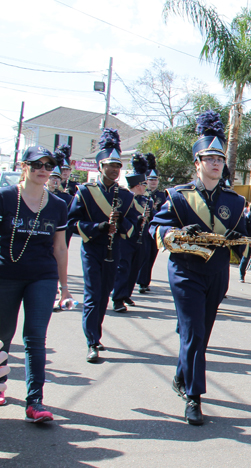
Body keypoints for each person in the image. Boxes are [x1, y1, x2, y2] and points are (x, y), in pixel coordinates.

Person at [150, 110, 248, 426]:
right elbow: (157, 226)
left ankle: (182, 375)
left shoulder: (234, 201)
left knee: (200, 335)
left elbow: (242, 234)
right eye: (210, 158)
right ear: (197, 162)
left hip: (217, 272)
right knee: (192, 331)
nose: (216, 163)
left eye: (220, 158)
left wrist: (240, 238)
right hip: (185, 271)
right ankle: (194, 397)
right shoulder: (178, 196)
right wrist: (169, 234)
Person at [0, 146, 72, 420]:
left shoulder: (57, 205)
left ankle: (35, 402)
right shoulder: (5, 197)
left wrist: (64, 287)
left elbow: (61, 248)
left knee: (35, 338)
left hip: (42, 276)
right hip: (5, 274)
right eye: (36, 164)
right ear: (23, 166)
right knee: (2, 336)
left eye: (48, 165)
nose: (43, 169)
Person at [67, 129, 138, 363]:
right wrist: (98, 228)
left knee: (104, 295)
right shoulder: (85, 193)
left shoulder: (126, 197)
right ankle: (91, 341)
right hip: (92, 248)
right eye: (110, 165)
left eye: (118, 165)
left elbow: (131, 227)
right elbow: (71, 223)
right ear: (100, 166)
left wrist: (119, 225)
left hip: (113, 249)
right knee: (92, 295)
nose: (115, 169)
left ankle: (95, 334)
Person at [111, 153, 151, 313]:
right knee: (123, 268)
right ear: (137, 185)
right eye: (143, 184)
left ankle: (127, 293)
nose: (145, 186)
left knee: (135, 267)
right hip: (125, 238)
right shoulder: (126, 198)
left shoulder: (146, 200)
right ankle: (118, 298)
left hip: (141, 238)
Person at [137, 153, 165, 294]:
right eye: (150, 179)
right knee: (142, 255)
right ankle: (140, 280)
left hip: (155, 230)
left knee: (151, 255)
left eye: (155, 180)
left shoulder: (162, 196)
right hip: (142, 229)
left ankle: (144, 281)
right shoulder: (141, 194)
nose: (153, 182)